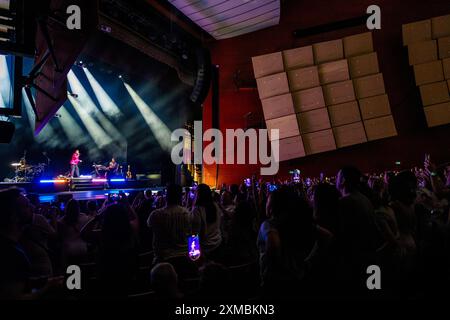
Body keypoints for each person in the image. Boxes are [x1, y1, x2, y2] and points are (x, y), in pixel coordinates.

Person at [335, 166, 382, 294]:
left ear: (343, 180)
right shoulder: (364, 198)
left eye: (338, 177)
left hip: (358, 262)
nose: (336, 180)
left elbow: (342, 235)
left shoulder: (345, 202)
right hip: (372, 257)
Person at [0, 188, 33, 298]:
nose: (32, 208)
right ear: (13, 216)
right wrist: (48, 288)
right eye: (26, 206)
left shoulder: (10, 245)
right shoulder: (11, 253)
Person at [147, 184, 192, 263]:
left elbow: (149, 226)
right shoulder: (188, 214)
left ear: (166, 196)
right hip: (184, 257)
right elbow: (192, 235)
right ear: (180, 196)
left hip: (162, 258)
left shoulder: (156, 214)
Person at [191, 184, 223, 258]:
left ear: (198, 194)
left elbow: (195, 232)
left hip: (205, 247)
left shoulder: (197, 209)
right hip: (218, 242)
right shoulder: (215, 205)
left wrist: (194, 255)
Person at [57, 199, 91, 266]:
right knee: (83, 272)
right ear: (78, 207)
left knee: (72, 273)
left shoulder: (61, 221)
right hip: (82, 248)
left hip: (69, 250)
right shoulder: (84, 217)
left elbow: (60, 238)